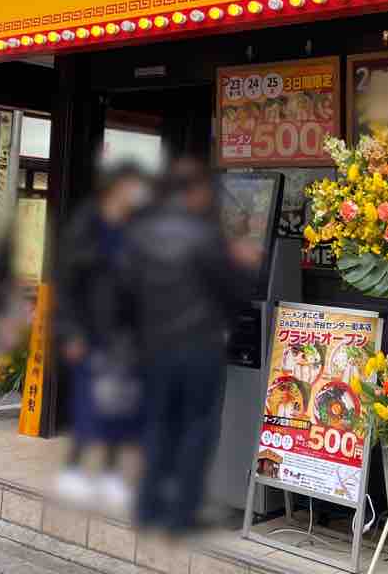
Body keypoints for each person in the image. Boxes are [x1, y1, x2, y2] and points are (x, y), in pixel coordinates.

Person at [126, 157, 260, 534]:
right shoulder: (206, 237)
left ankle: (148, 505)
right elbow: (236, 292)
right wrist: (246, 262)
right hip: (198, 348)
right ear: (196, 193)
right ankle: (182, 513)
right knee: (197, 427)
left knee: (159, 424)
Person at [53, 162, 151, 511]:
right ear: (114, 188)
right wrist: (72, 331)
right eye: (131, 187)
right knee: (88, 402)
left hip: (123, 334)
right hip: (89, 331)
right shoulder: (87, 226)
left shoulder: (133, 229)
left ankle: (110, 474)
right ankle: (73, 469)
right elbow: (67, 285)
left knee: (118, 404)